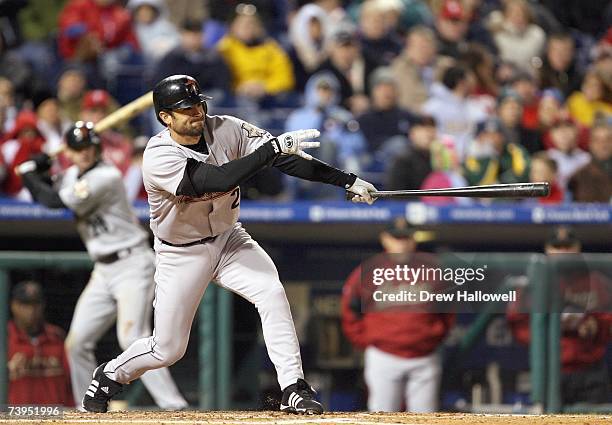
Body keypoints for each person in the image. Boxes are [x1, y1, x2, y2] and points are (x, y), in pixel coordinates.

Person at [76, 74, 377, 414]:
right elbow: (212, 181)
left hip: (229, 238)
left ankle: (293, 387)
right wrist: (271, 150)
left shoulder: (227, 127)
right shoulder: (158, 154)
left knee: (271, 292)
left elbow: (284, 158)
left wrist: (347, 181)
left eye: (198, 104)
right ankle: (109, 375)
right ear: (165, 117)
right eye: (185, 109)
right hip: (181, 252)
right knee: (168, 348)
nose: (196, 112)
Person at [16, 121, 188, 411]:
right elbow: (45, 191)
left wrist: (32, 175)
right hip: (103, 270)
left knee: (132, 338)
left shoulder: (105, 176)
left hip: (132, 262)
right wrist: (40, 169)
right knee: (77, 343)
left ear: (97, 148)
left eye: (90, 148)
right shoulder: (71, 174)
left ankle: (174, 407)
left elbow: (54, 201)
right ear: (69, 152)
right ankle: (89, 407)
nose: (85, 154)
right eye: (79, 149)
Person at [342, 218, 454, 412]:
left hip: (424, 357)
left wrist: (433, 337)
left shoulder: (432, 268)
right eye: (396, 238)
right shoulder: (370, 270)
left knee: (425, 419)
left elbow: (448, 310)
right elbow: (350, 310)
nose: (401, 243)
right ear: (385, 239)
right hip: (383, 356)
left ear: (414, 240)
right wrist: (367, 341)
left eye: (406, 238)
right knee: (382, 417)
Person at [506, 226, 612, 404]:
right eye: (557, 247)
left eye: (568, 246)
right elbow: (516, 322)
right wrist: (543, 335)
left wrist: (596, 326)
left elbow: (608, 319)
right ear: (547, 250)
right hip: (549, 369)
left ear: (578, 248)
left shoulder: (595, 280)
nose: (563, 252)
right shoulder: (533, 281)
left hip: (590, 369)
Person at [8, 280, 73, 406]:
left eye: (35, 304)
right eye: (25, 304)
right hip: (14, 418)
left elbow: (71, 382)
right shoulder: (5, 339)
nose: (31, 310)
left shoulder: (57, 337)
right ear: (13, 305)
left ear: (43, 305)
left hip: (55, 418)